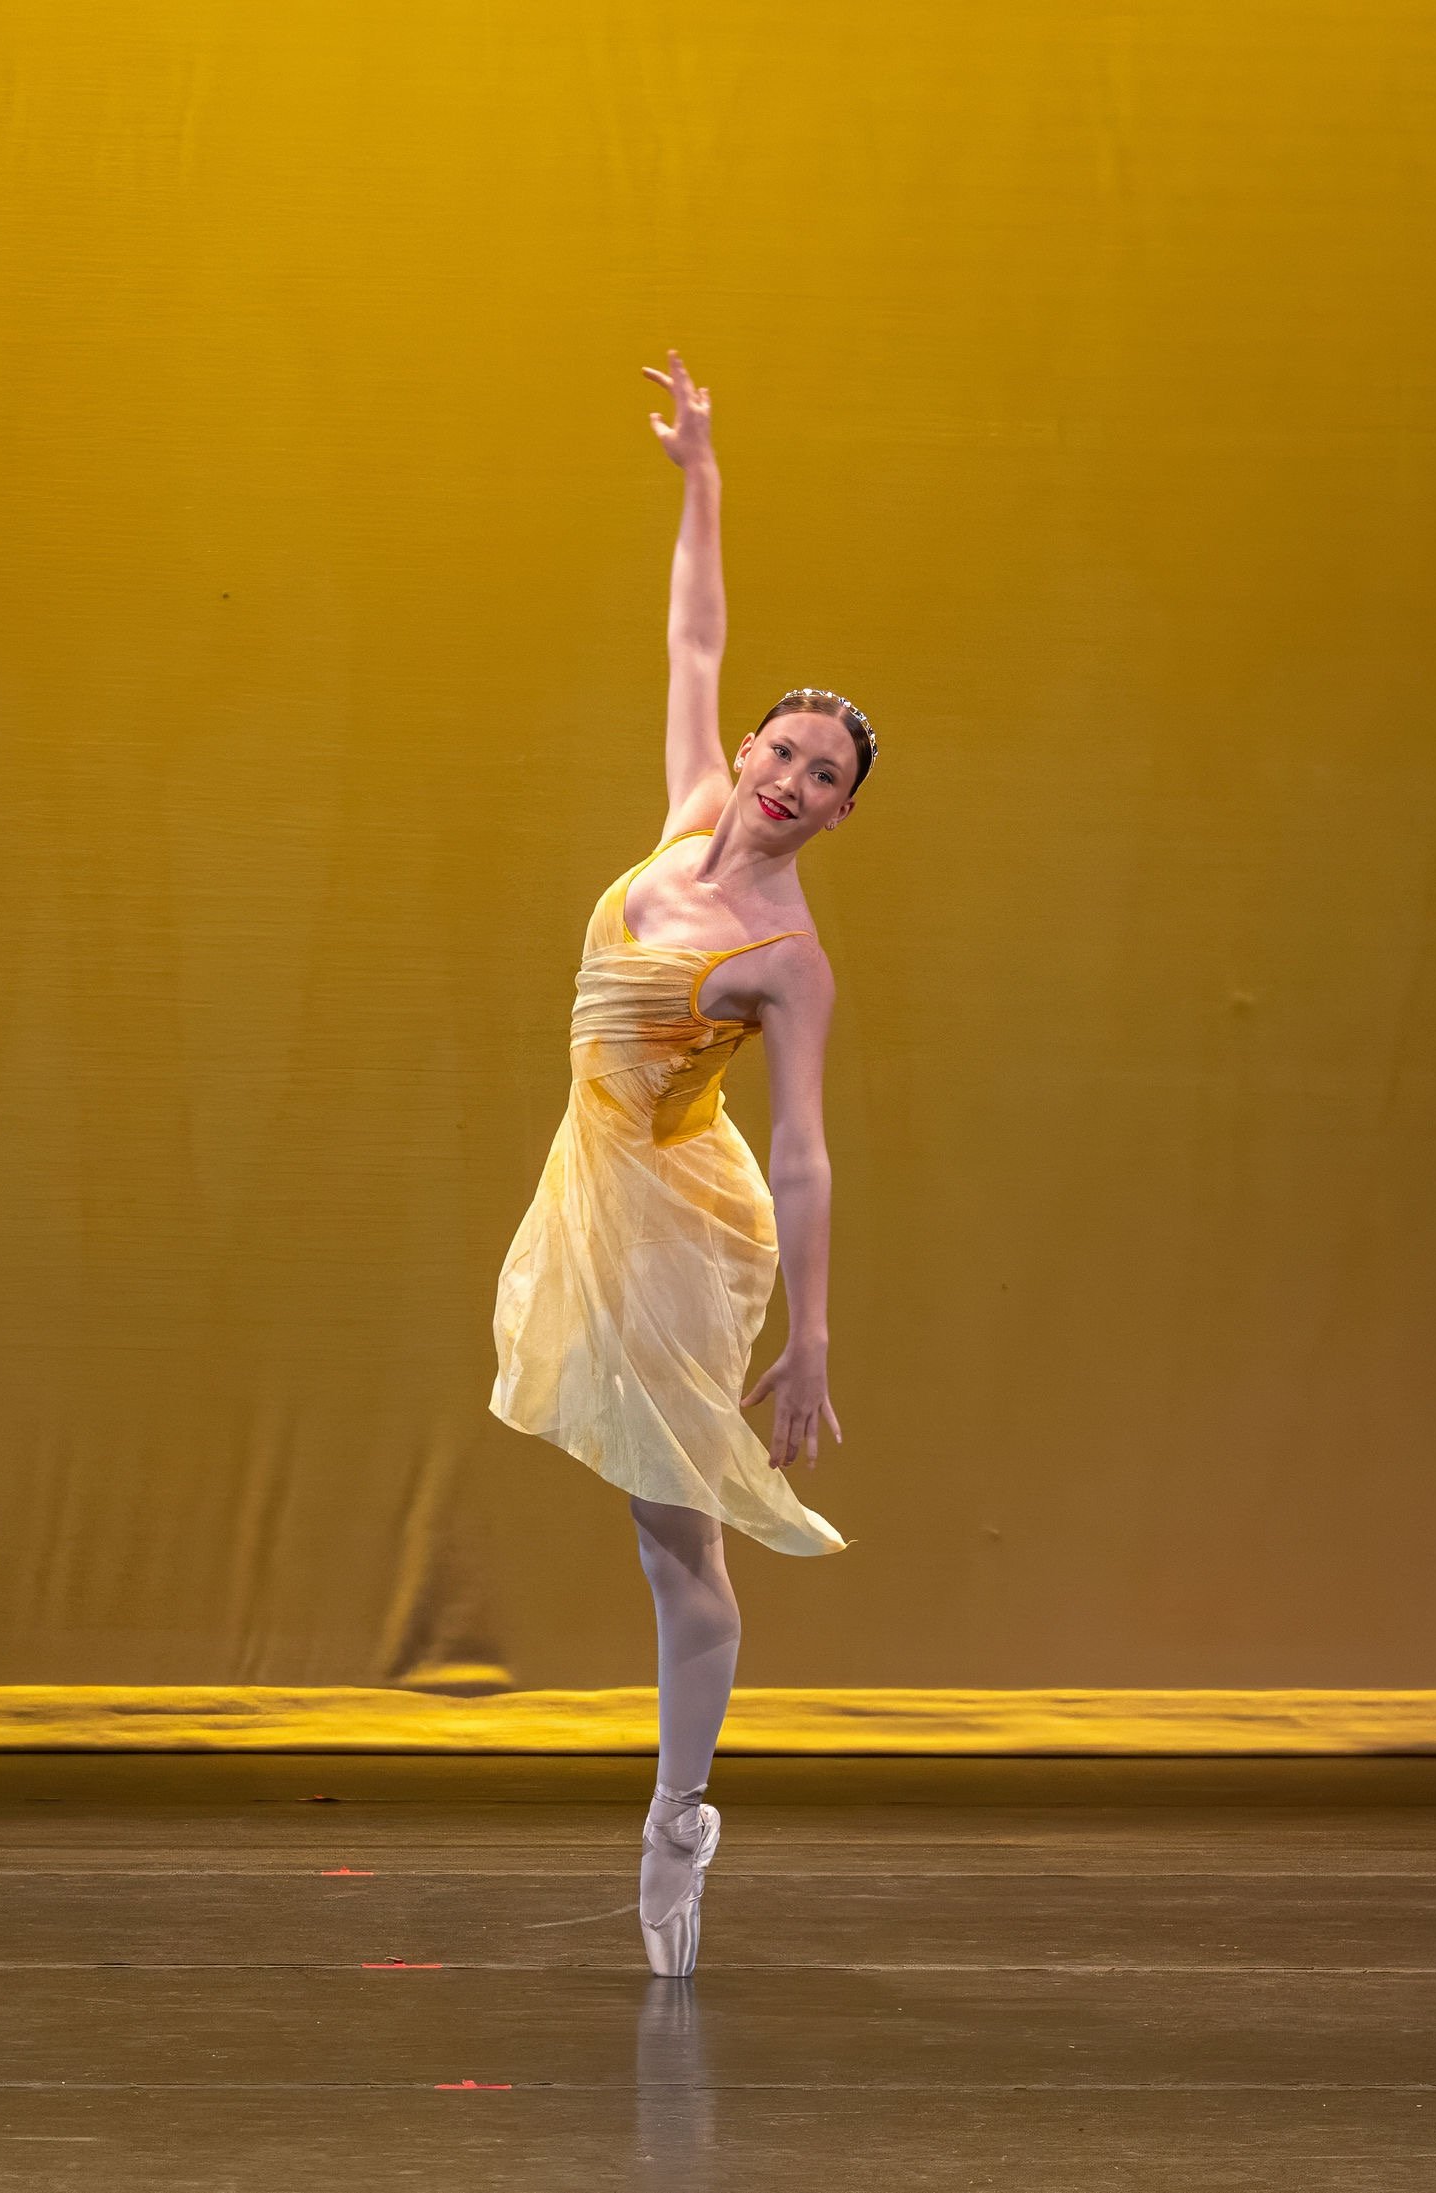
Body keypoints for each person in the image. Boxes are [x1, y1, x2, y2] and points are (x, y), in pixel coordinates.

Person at [488, 348, 877, 1976]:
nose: (784, 780)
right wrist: (704, 470)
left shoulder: (787, 952)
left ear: (839, 817)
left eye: (820, 779)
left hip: (673, 1219)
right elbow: (693, 633)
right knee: (667, 1541)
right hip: (597, 1171)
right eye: (783, 752)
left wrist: (812, 1341)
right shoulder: (687, 807)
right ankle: (680, 1801)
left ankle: (679, 1812)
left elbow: (802, 1152)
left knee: (681, 1555)